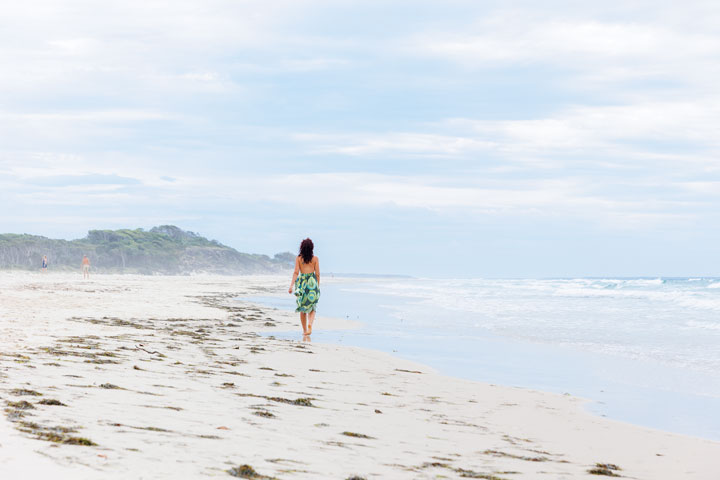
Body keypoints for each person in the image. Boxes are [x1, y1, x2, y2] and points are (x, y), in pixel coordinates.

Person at [288, 238, 320, 336]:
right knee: (312, 307)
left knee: (303, 308)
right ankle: (310, 324)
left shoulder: (298, 259)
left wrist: (291, 285)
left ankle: (305, 330)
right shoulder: (315, 259)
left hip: (302, 284)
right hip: (312, 283)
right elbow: (317, 274)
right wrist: (317, 286)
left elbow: (296, 272)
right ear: (312, 248)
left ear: (301, 247)